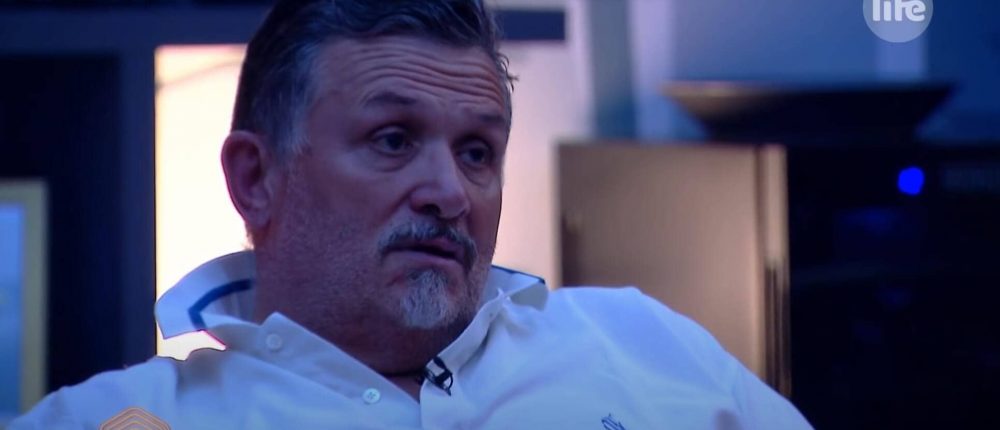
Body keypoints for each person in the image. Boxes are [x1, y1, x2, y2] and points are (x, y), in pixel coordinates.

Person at [12, 0, 812, 428]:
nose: (450, 193)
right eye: (393, 140)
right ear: (256, 178)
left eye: (477, 151)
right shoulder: (121, 419)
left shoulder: (647, 345)